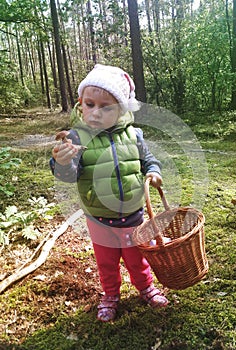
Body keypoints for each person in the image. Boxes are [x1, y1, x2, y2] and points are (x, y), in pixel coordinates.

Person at [50, 64, 168, 322]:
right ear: (80, 103)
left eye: (106, 107)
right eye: (89, 104)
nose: (95, 112)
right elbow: (69, 176)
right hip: (99, 218)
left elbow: (148, 160)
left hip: (134, 215)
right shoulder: (76, 139)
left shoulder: (134, 135)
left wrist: (154, 172)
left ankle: (146, 287)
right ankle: (111, 295)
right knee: (106, 262)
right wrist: (62, 163)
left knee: (137, 258)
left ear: (121, 109)